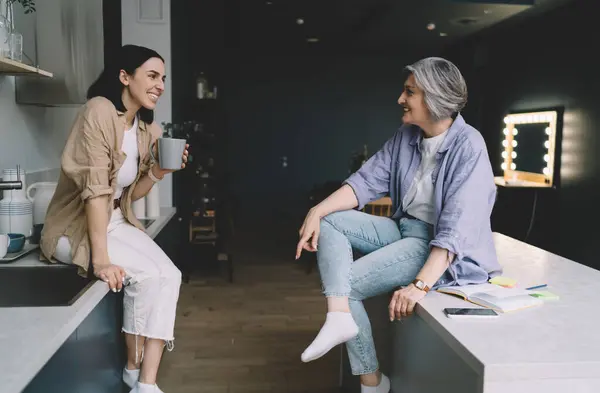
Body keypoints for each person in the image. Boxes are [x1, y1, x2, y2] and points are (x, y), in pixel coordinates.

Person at [295, 57, 502, 393]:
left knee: (345, 284)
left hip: (435, 247)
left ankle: (370, 380)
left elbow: (455, 229)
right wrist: (316, 211)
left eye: (409, 92)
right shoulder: (407, 136)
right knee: (331, 219)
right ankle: (339, 320)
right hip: (407, 229)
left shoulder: (469, 146)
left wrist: (419, 285)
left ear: (434, 99)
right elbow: (364, 181)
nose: (400, 99)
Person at [40, 45, 188, 393]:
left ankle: (141, 378)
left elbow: (128, 195)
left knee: (170, 275)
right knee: (149, 275)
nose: (160, 85)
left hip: (114, 220)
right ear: (125, 77)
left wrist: (160, 171)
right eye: (152, 76)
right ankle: (140, 380)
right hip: (73, 227)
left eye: (163, 78)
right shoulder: (99, 111)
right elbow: (95, 191)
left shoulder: (145, 129)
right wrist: (101, 259)